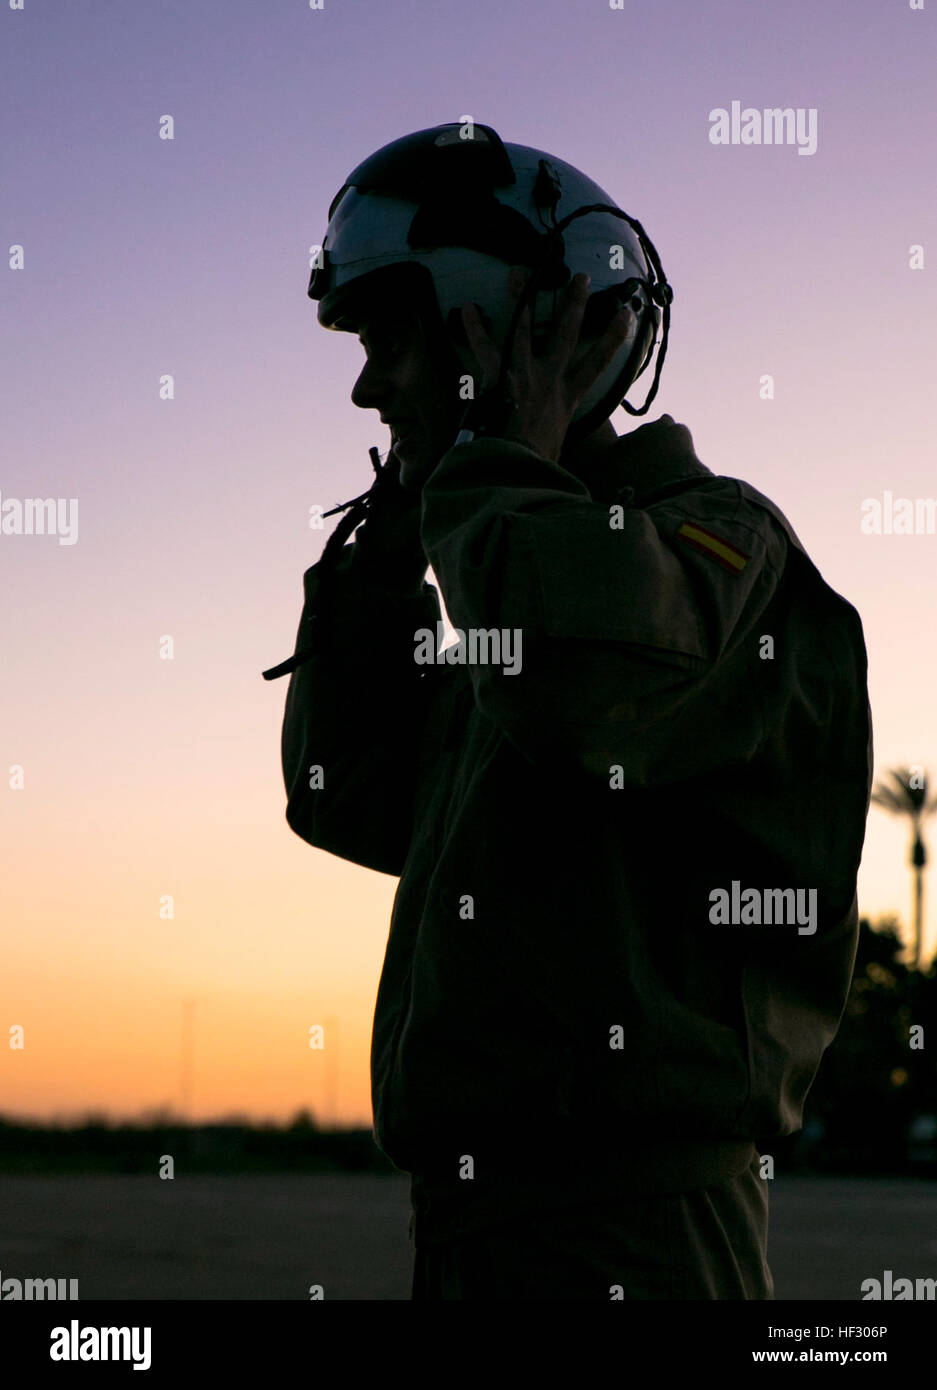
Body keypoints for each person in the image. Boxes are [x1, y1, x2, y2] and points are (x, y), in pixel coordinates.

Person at [262, 122, 874, 1300]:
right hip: (479, 1227)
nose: (364, 384)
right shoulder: (517, 574)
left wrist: (488, 464)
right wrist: (378, 570)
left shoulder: (715, 547)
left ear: (507, 330)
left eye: (392, 340)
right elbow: (349, 797)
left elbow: (589, 696)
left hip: (631, 1234)